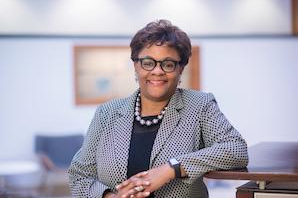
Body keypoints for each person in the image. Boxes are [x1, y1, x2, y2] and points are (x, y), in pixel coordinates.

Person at [68, 19, 248, 198]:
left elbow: (235, 149)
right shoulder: (107, 113)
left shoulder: (199, 105)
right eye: (148, 62)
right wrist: (110, 197)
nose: (157, 71)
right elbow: (79, 174)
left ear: (180, 69)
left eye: (168, 64)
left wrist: (172, 168)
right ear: (136, 66)